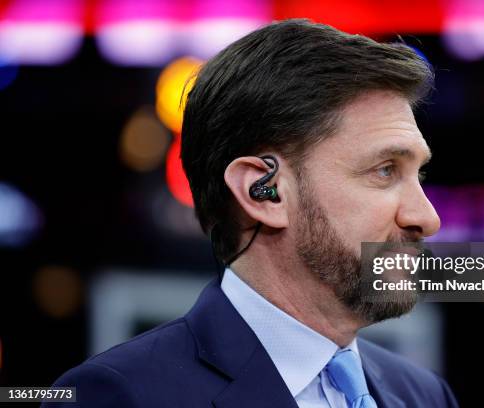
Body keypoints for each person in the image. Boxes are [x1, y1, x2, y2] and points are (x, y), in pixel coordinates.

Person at [45, 19, 458, 407]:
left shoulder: (423, 393)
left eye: (417, 173)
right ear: (264, 192)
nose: (427, 217)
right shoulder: (119, 395)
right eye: (385, 170)